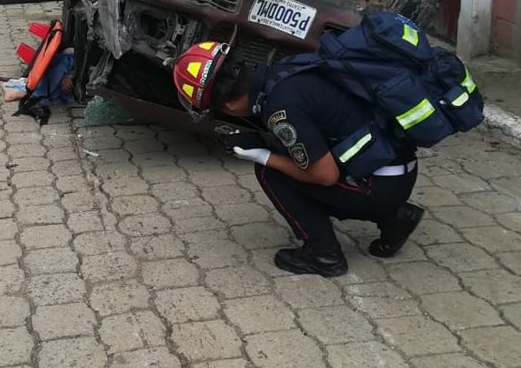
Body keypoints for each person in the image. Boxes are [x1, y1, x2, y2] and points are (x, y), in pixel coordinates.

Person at [172, 41, 423, 277]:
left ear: (229, 106)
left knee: (272, 174)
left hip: (378, 185)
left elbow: (325, 176)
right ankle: (395, 216)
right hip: (396, 168)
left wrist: (263, 155)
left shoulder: (281, 109)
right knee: (289, 157)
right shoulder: (284, 71)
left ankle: (324, 254)